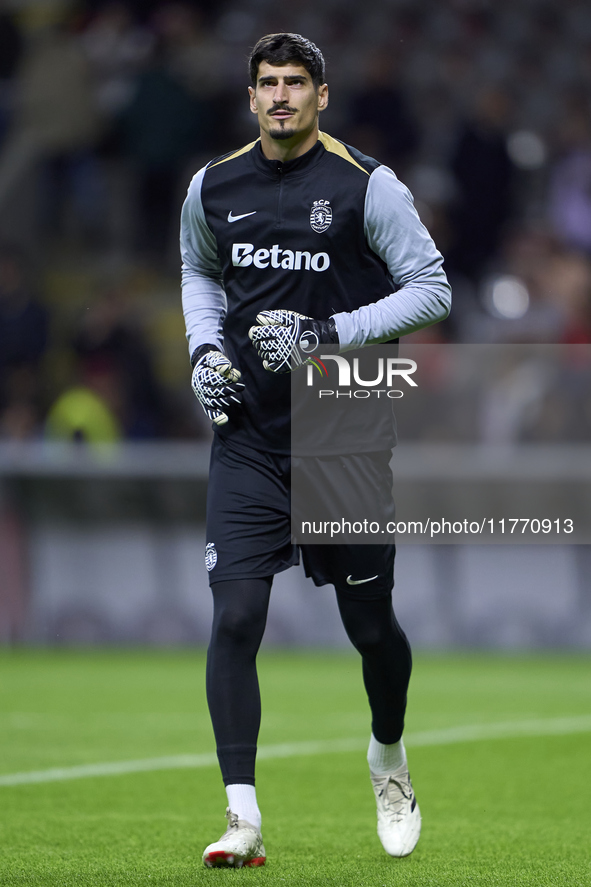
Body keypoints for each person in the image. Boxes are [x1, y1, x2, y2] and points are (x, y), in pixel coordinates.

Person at [180, 32, 451, 868]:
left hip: (342, 434)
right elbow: (200, 271)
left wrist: (329, 330)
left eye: (296, 82)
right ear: (251, 94)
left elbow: (433, 286)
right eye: (267, 83)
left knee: (369, 627)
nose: (281, 96)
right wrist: (201, 353)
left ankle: (387, 757)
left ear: (322, 95)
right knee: (235, 615)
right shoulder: (212, 186)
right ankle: (242, 818)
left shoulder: (368, 186)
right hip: (250, 437)